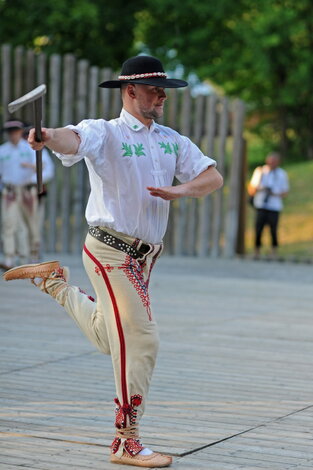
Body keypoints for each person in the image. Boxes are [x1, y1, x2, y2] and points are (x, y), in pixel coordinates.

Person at [3, 55, 223, 468]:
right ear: (129, 91)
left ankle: (54, 283)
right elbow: (72, 138)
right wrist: (47, 135)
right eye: (154, 89)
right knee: (142, 340)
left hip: (143, 259)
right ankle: (126, 440)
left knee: (113, 337)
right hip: (109, 250)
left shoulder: (171, 139)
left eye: (164, 90)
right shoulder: (105, 133)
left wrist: (183, 190)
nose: (161, 96)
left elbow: (213, 176)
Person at [0, 120, 40, 269]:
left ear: (20, 132)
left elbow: (47, 170)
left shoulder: (31, 149)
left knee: (31, 223)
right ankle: (9, 257)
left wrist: (34, 179)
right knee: (8, 223)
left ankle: (33, 256)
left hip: (27, 190)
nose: (12, 134)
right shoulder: (2, 151)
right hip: (10, 191)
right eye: (10, 132)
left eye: (15, 131)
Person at [248, 152, 289, 259]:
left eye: (274, 162)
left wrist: (274, 193)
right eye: (270, 161)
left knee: (273, 230)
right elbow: (251, 189)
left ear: (278, 162)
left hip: (274, 206)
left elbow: (285, 192)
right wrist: (261, 189)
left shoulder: (282, 174)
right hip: (261, 204)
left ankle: (273, 252)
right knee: (258, 229)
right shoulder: (260, 171)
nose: (272, 164)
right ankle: (256, 252)